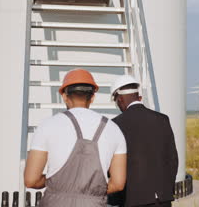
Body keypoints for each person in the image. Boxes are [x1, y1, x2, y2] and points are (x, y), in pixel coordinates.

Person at [24, 69, 127, 207]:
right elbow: (118, 184)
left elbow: (31, 180)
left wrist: (55, 182)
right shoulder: (114, 129)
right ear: (92, 97)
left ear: (65, 97)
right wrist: (92, 193)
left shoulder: (47, 126)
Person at [107, 75, 178, 207]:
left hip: (132, 200)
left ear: (120, 99)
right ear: (138, 96)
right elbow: (172, 160)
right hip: (163, 199)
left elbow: (112, 165)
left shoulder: (115, 124)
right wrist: (167, 191)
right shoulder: (162, 119)